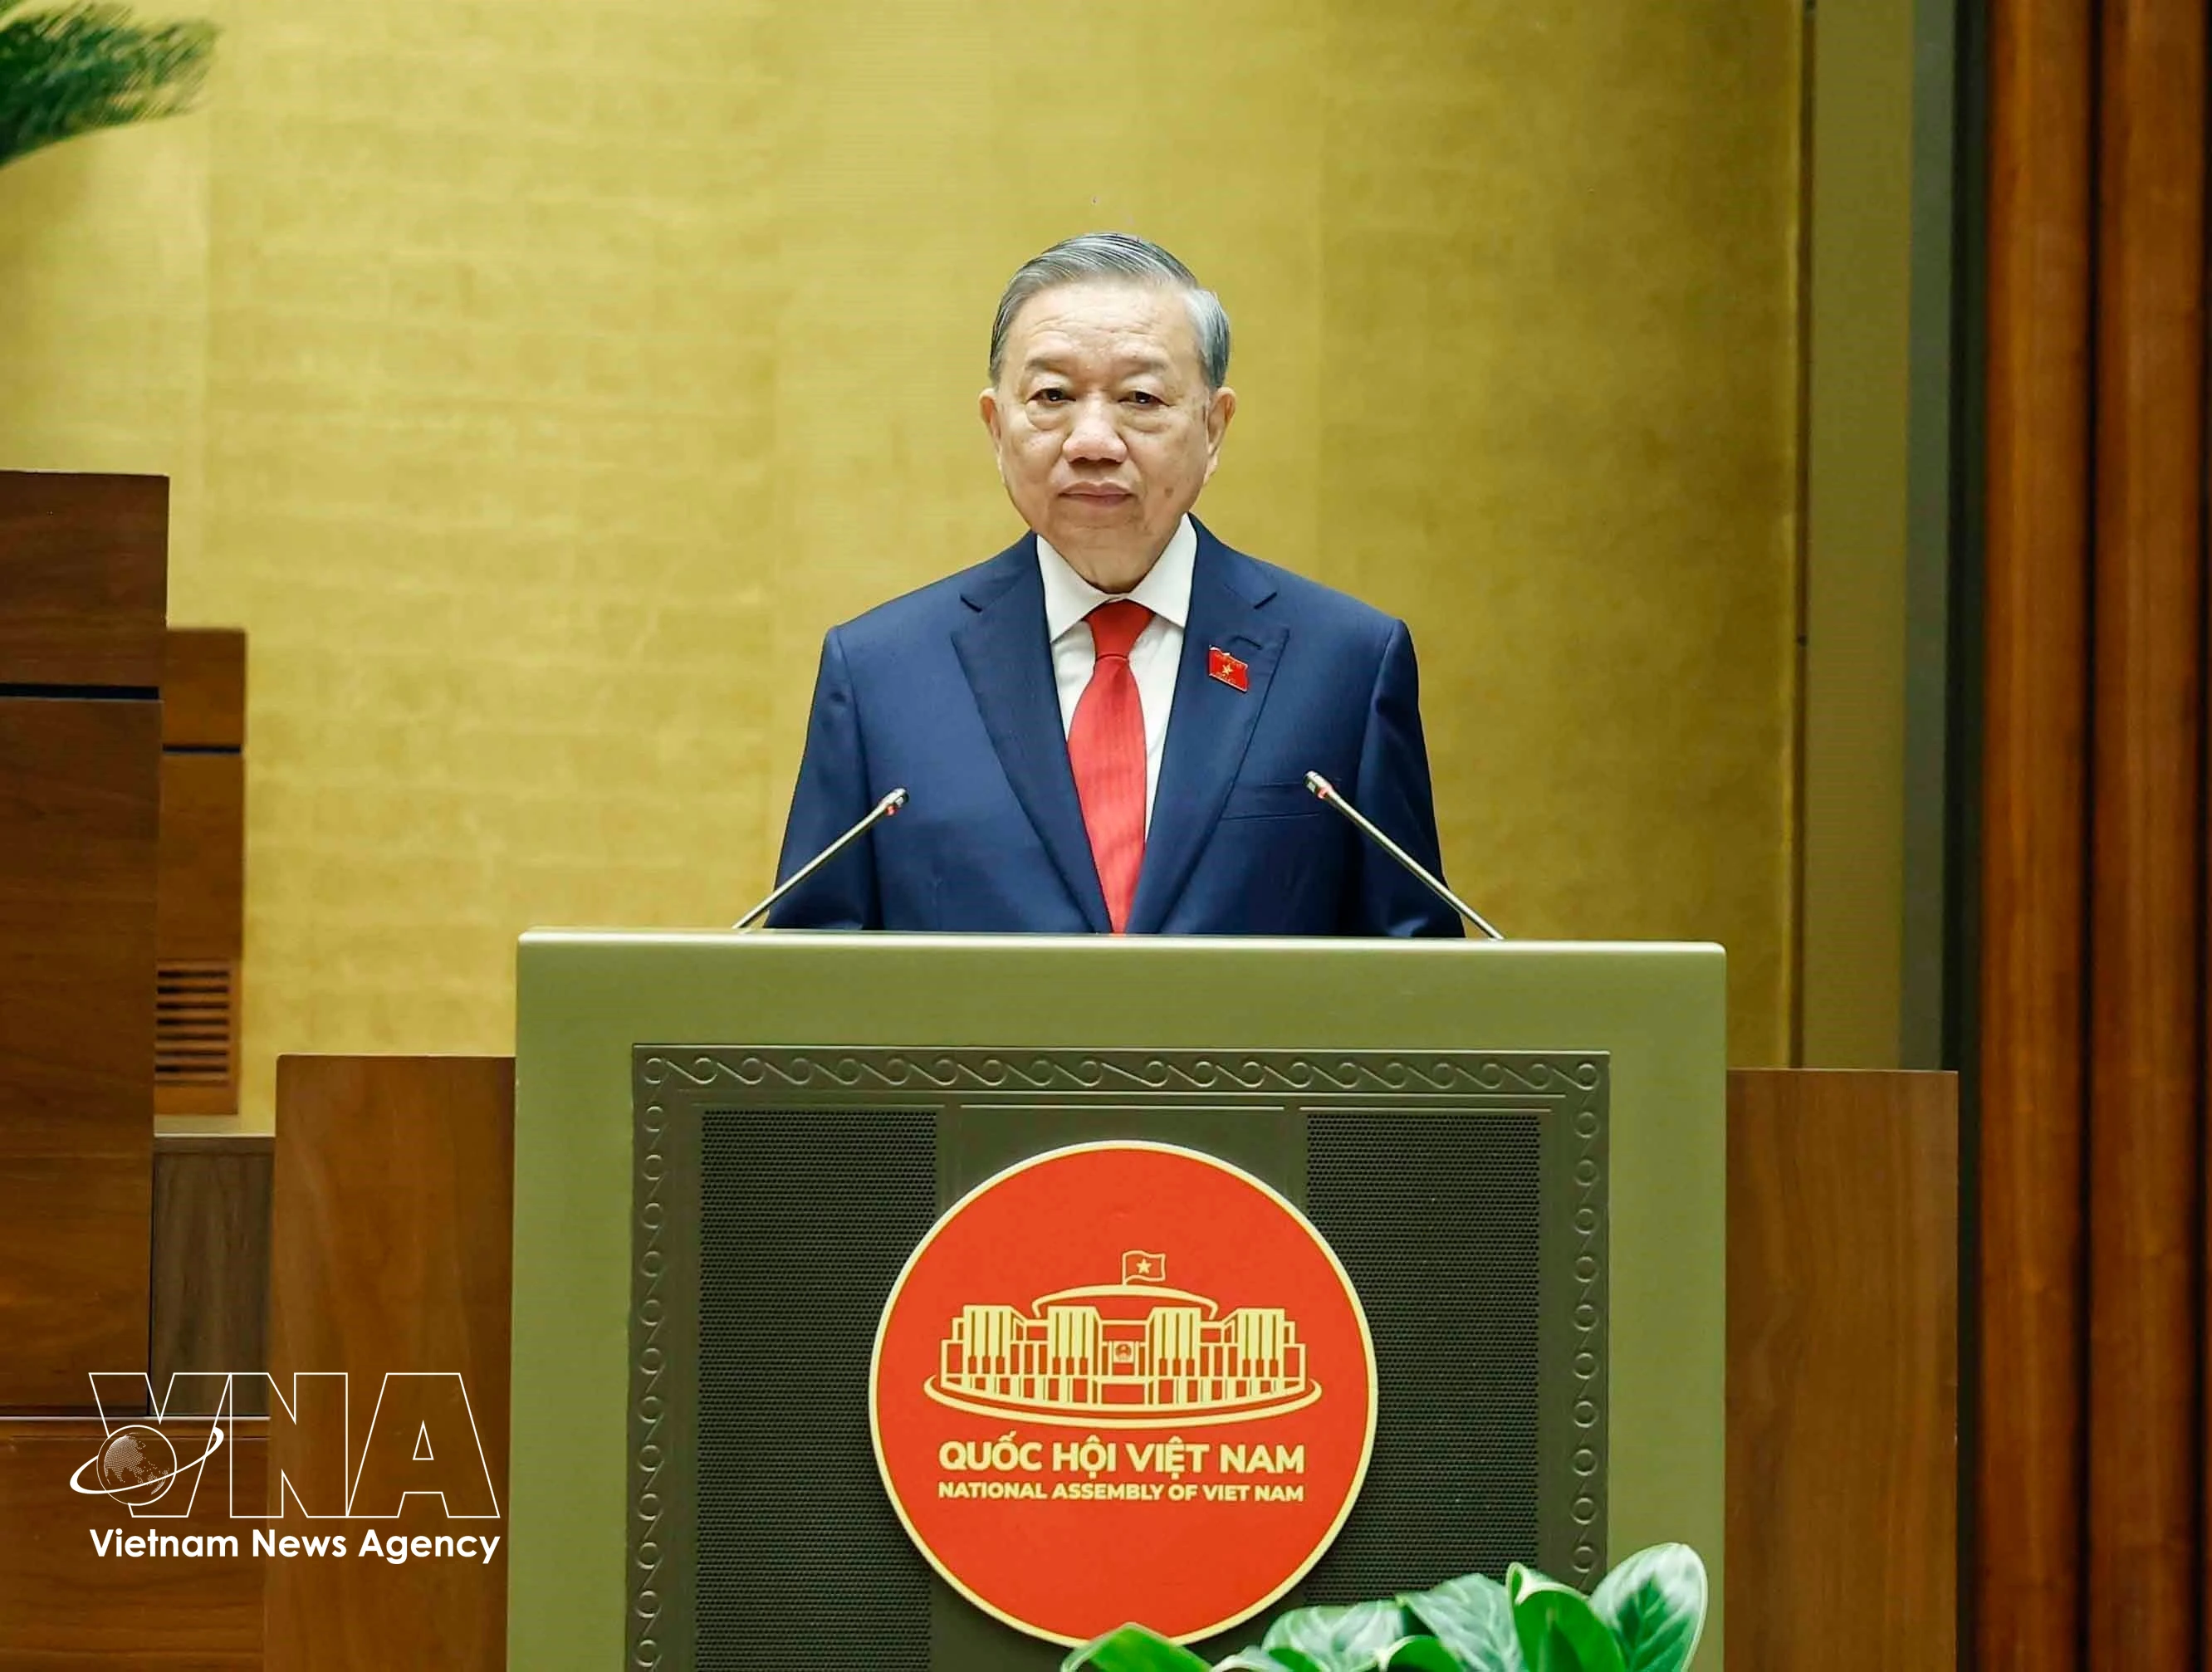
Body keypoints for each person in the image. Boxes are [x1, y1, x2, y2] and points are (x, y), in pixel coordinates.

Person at [769, 232, 1461, 937]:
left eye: (1140, 397)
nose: (1092, 441)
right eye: (1053, 395)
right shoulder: (883, 675)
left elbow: (1417, 988)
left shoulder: (1343, 665)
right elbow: (806, 990)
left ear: (1213, 428)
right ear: (995, 426)